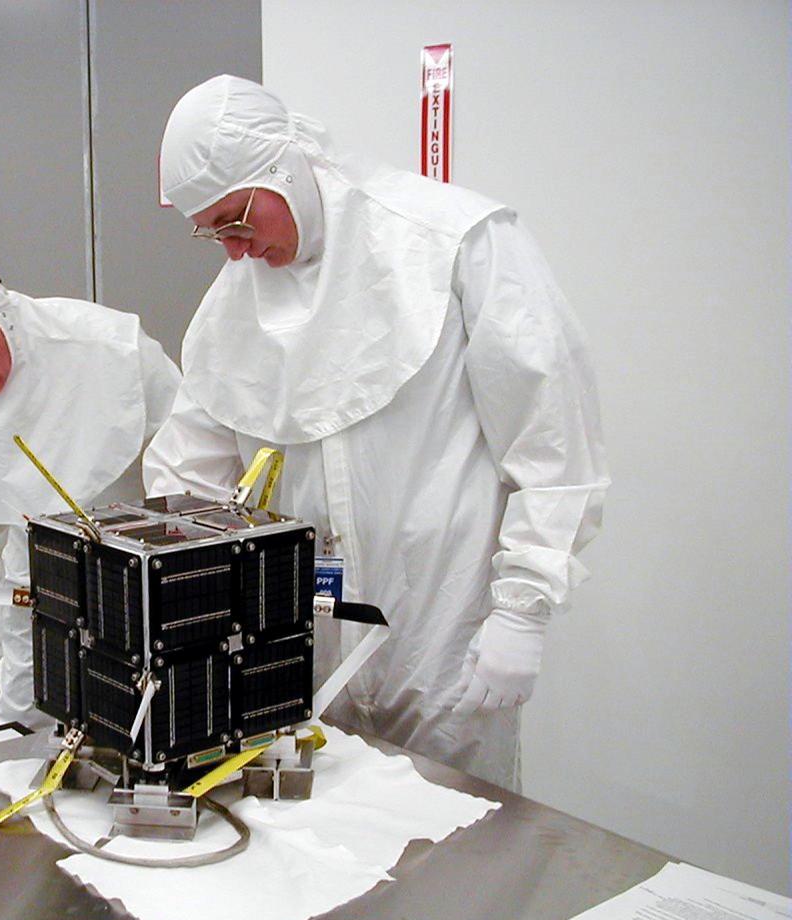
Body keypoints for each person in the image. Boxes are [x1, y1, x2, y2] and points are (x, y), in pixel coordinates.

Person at [144, 76, 609, 790]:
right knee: (341, 853)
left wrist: (524, 608)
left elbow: (553, 442)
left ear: (286, 164)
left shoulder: (452, 242)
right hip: (310, 647)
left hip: (447, 639)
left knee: (463, 853)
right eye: (213, 234)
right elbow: (188, 473)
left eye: (236, 220)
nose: (234, 251)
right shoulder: (230, 309)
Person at [0, 254, 181, 740]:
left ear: (3, 315)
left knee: (149, 722)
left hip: (143, 572)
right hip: (31, 585)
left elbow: (189, 464)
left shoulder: (108, 348)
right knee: (26, 725)